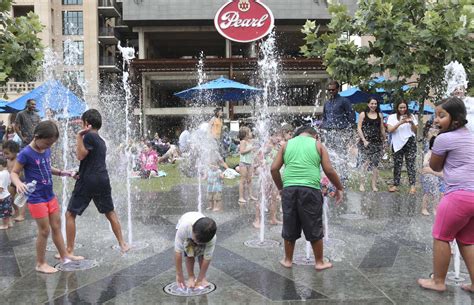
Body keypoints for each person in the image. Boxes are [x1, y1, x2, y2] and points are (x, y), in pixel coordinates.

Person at [417, 97, 474, 293]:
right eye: (436, 115)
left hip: (457, 196)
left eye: (441, 116)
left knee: (441, 236)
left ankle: (438, 281)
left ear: (456, 120)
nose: (436, 119)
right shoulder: (470, 136)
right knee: (467, 240)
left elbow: (434, 166)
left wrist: (436, 140)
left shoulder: (444, 139)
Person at [271, 126, 344, 270]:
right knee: (314, 224)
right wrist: (339, 187)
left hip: (289, 189)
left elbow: (273, 168)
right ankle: (319, 262)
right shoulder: (318, 145)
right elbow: (329, 170)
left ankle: (287, 260)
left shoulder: (286, 145)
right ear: (315, 135)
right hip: (310, 190)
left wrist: (281, 188)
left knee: (289, 223)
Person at [10, 121, 77, 273]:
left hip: (49, 195)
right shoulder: (25, 153)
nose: (49, 147)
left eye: (51, 144)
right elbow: (14, 172)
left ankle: (64, 256)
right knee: (44, 231)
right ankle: (40, 263)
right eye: (47, 143)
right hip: (36, 198)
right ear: (36, 136)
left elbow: (46, 166)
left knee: (56, 227)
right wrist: (19, 183)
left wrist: (62, 172)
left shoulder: (45, 150)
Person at [65, 109, 130, 259]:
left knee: (70, 214)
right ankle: (123, 244)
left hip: (88, 180)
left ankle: (69, 250)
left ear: (86, 123)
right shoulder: (101, 140)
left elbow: (81, 155)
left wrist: (78, 136)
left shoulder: (87, 137)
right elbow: (92, 161)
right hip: (102, 179)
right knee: (110, 212)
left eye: (82, 123)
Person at [320, 80, 355, 185]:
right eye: (329, 90)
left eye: (333, 90)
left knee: (341, 154)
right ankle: (331, 177)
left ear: (338, 89)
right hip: (328, 132)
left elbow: (351, 117)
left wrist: (347, 130)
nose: (331, 91)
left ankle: (343, 179)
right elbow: (324, 117)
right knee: (329, 155)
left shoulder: (344, 101)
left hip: (340, 131)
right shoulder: (327, 103)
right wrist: (324, 127)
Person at [175, 212, 217, 289]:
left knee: (202, 254)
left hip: (200, 230)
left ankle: (203, 277)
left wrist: (200, 279)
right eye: (196, 240)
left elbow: (207, 258)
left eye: (199, 242)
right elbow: (178, 252)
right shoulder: (185, 228)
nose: (196, 243)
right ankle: (191, 276)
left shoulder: (212, 238)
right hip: (185, 224)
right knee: (189, 253)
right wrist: (179, 274)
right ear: (192, 229)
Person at [386, 100, 418, 194]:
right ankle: (396, 184)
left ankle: (412, 186)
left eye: (404, 107)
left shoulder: (411, 116)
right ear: (397, 108)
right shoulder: (392, 117)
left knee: (410, 164)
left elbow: (416, 131)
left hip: (410, 141)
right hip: (397, 143)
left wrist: (411, 123)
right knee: (397, 164)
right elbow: (390, 130)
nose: (403, 109)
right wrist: (400, 122)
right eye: (401, 107)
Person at [357, 98, 386, 192]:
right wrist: (364, 140)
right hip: (366, 142)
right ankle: (362, 184)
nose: (374, 105)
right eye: (372, 103)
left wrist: (384, 140)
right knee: (365, 163)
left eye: (375, 104)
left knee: (375, 165)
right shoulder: (363, 114)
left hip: (377, 142)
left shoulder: (379, 115)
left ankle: (373, 185)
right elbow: (359, 128)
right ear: (368, 104)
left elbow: (381, 128)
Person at [420, 136, 443, 216]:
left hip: (436, 176)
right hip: (427, 176)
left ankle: (435, 209)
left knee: (436, 193)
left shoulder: (440, 155)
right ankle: (424, 208)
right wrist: (427, 163)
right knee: (426, 193)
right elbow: (424, 162)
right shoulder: (429, 153)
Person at [3, 140, 24, 222]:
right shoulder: (8, 160)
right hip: (11, 182)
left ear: (15, 152)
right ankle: (16, 210)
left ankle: (21, 215)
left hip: (20, 182)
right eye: (4, 153)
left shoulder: (19, 158)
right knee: (9, 198)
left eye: (7, 153)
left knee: (21, 199)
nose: (5, 155)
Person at [238, 126, 256, 205]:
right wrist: (251, 149)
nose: (251, 133)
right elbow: (242, 151)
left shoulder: (250, 142)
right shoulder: (243, 142)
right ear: (245, 134)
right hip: (244, 163)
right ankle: (241, 197)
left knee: (250, 180)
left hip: (250, 163)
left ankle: (250, 195)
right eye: (249, 132)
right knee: (243, 180)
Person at [0, 157, 12, 230]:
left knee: (3, 212)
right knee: (7, 211)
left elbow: (0, 187)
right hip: (7, 195)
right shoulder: (7, 173)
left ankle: (5, 225)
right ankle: (9, 223)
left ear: (0, 165)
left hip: (2, 197)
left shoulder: (1, 174)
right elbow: (8, 183)